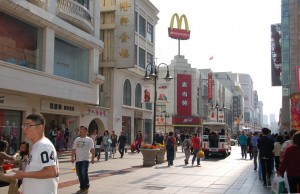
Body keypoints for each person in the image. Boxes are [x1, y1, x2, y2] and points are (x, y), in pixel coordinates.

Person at [11, 113, 59, 194]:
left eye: (28, 125)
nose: (24, 129)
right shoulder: (36, 146)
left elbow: (51, 172)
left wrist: (24, 174)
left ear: (40, 127)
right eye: (24, 126)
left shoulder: (44, 146)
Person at [71, 126, 95, 194]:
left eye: (82, 129)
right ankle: (82, 187)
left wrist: (93, 158)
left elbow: (92, 149)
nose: (80, 131)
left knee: (84, 172)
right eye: (80, 129)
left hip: (85, 159)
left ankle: (86, 187)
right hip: (78, 160)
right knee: (79, 174)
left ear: (86, 131)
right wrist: (72, 157)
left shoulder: (89, 140)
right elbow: (73, 149)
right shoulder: (77, 139)